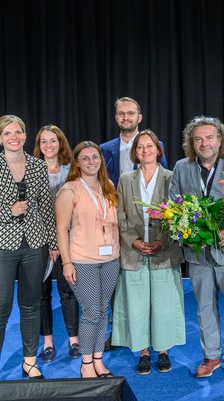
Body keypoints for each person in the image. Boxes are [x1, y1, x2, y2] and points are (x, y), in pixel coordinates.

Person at [169, 116, 224, 381]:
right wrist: (187, 233)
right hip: (197, 252)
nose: (204, 143)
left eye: (209, 137)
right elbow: (174, 206)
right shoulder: (182, 167)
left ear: (221, 140)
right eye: (198, 139)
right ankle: (212, 356)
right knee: (204, 307)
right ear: (191, 143)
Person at [112, 130, 185, 375]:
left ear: (158, 149)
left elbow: (178, 214)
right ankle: (143, 352)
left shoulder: (171, 177)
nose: (145, 151)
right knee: (137, 304)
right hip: (133, 252)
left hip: (164, 251)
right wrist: (133, 241)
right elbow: (119, 215)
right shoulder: (125, 179)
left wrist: (161, 241)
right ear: (135, 152)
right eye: (140, 147)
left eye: (149, 146)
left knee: (163, 305)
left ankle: (163, 351)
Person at [56, 141, 120, 378]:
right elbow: (61, 229)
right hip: (82, 260)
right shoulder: (69, 190)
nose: (91, 161)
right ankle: (85, 364)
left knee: (103, 311)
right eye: (85, 158)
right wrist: (67, 262)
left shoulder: (109, 186)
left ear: (101, 160)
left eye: (95, 157)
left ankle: (98, 359)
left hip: (111, 258)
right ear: (77, 162)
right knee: (92, 311)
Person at [0, 115, 57, 379]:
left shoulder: (36, 165)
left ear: (24, 135)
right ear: (1, 138)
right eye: (8, 133)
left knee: (31, 304)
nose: (14, 137)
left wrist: (54, 244)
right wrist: (6, 211)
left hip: (35, 244)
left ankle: (30, 361)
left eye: (18, 132)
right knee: (2, 306)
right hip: (3, 245)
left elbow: (46, 205)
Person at [33, 125, 80, 362]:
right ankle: (48, 341)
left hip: (67, 240)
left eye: (53, 141)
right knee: (41, 294)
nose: (48, 145)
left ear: (60, 143)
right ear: (38, 145)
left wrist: (59, 241)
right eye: (43, 141)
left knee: (67, 291)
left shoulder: (72, 171)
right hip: (38, 242)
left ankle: (74, 340)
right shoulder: (32, 169)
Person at [100, 96, 168, 187]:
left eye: (130, 113)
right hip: (114, 200)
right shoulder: (104, 149)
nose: (125, 117)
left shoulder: (155, 146)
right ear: (116, 118)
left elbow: (163, 179)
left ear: (139, 118)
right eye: (121, 113)